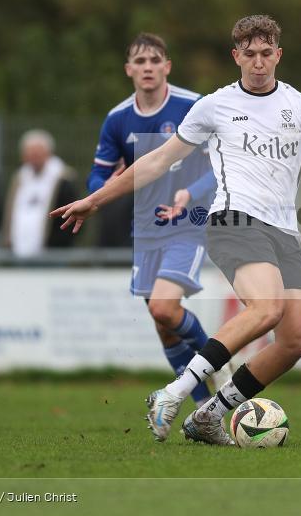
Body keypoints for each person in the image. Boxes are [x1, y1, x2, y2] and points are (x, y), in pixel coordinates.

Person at [52, 15, 301, 445]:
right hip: (234, 220)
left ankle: (208, 415)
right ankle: (173, 393)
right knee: (267, 307)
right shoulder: (214, 105)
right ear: (236, 56)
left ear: (278, 54)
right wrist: (95, 199)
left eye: (266, 53)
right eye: (250, 54)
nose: (258, 63)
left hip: (284, 234)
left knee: (296, 339)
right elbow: (154, 161)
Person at [86, 32, 221, 408]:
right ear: (129, 69)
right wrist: (103, 188)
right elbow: (96, 176)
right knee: (163, 325)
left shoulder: (192, 106)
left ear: (167, 66)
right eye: (140, 62)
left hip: (190, 222)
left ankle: (220, 367)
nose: (148, 68)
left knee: (163, 308)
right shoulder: (117, 119)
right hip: (145, 229)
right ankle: (203, 407)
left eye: (155, 60)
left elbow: (222, 168)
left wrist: (189, 194)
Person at [2, 130, 78, 258]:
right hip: (19, 252)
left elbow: (72, 216)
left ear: (48, 153)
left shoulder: (63, 179)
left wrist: (59, 244)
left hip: (53, 254)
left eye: (38, 153)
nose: (34, 157)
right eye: (30, 153)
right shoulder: (19, 178)